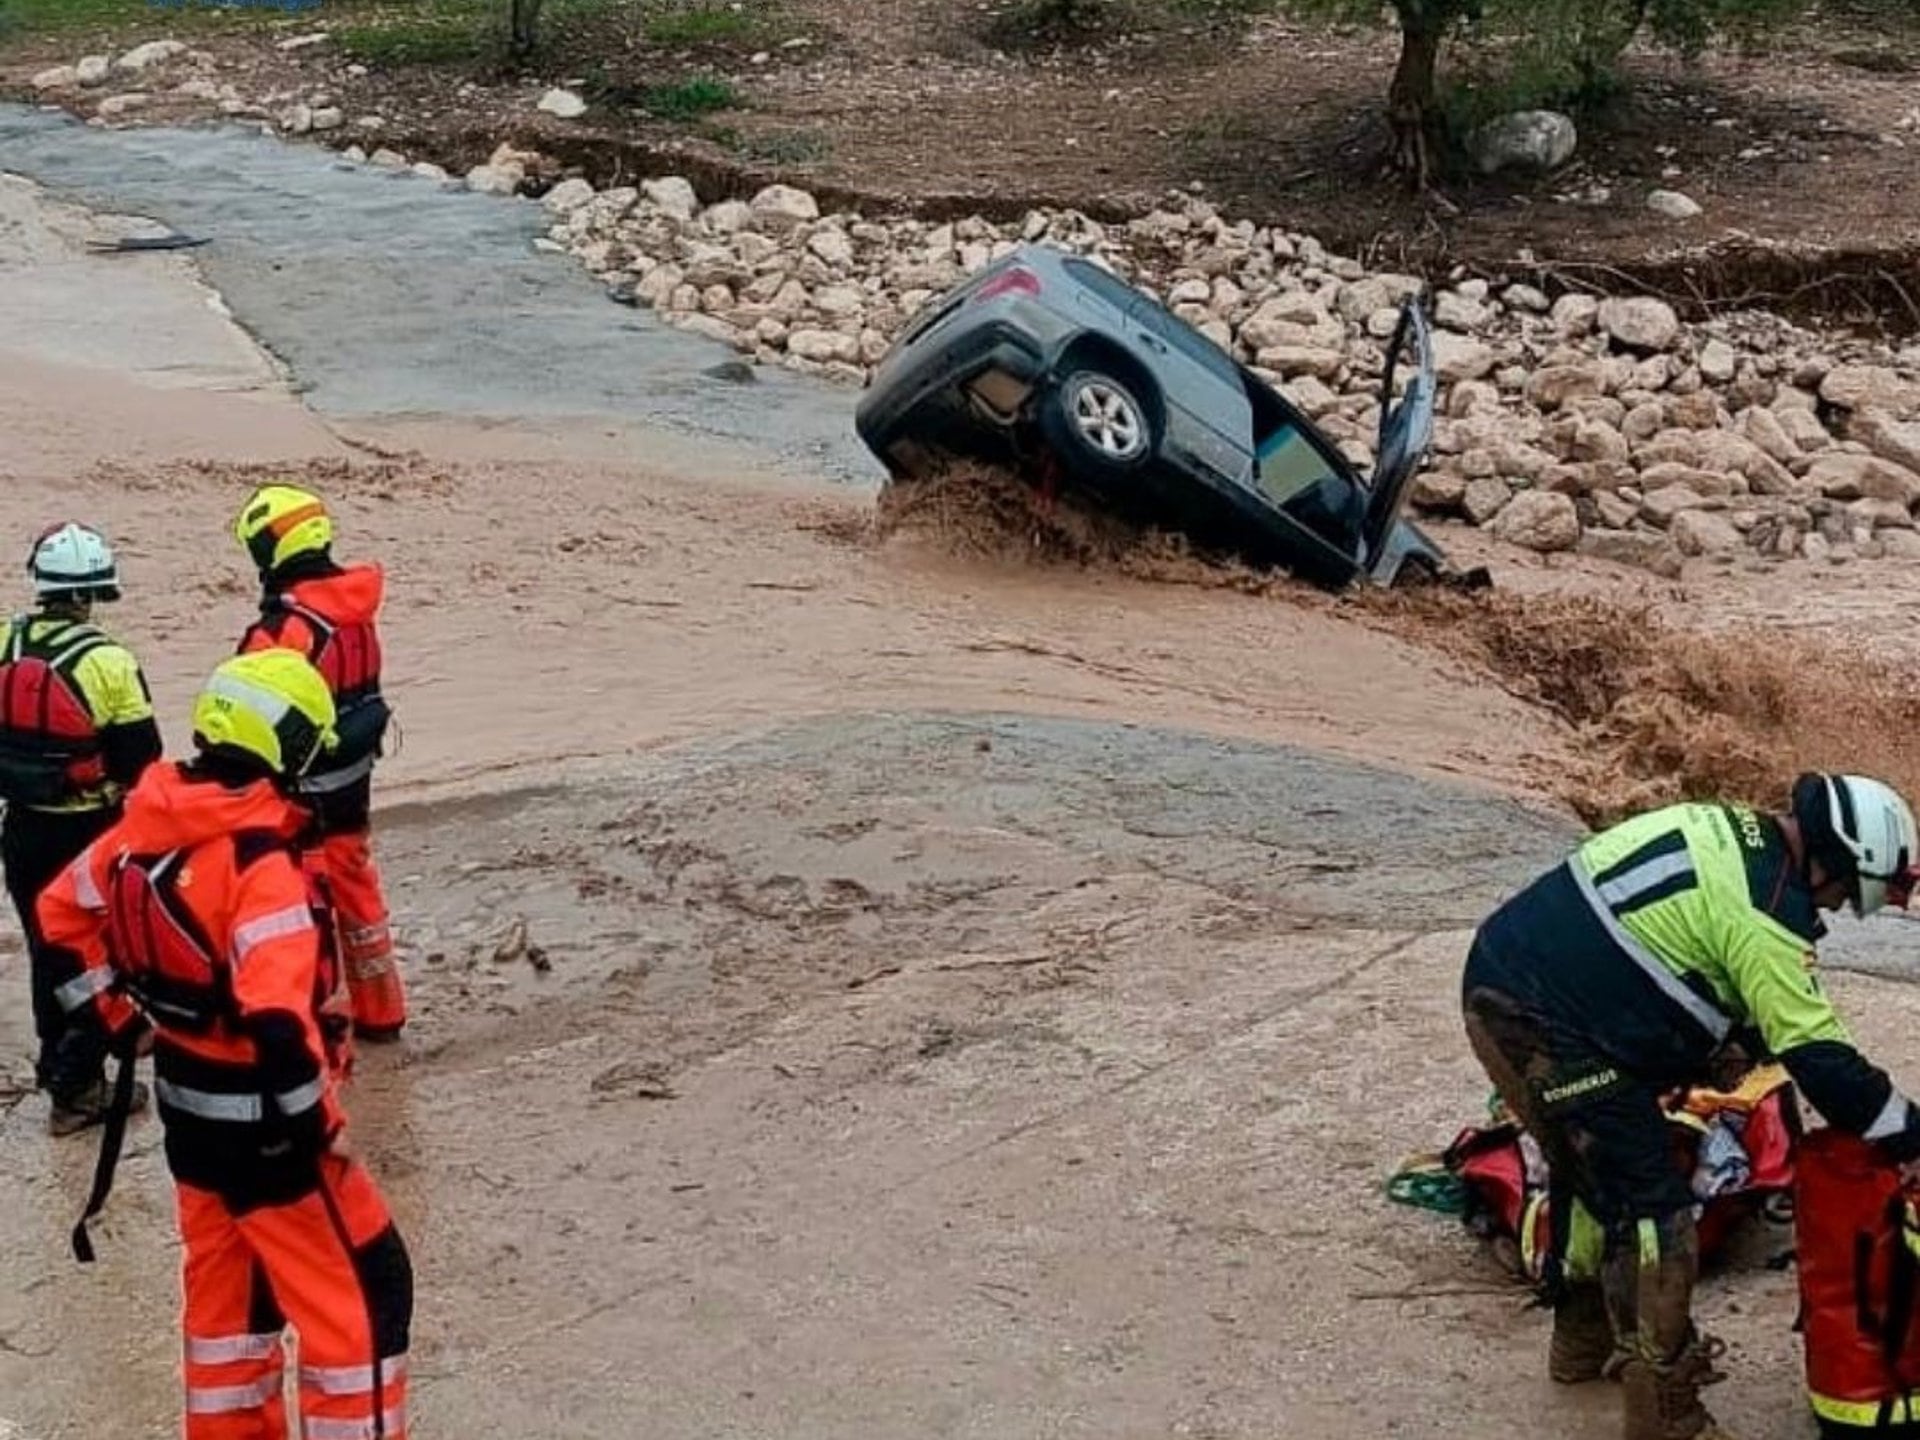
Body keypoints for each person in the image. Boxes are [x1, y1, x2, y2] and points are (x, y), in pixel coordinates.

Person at [1462, 773, 1920, 1440]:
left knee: (1599, 1177)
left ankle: (1583, 1341)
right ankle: (1667, 1411)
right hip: (1541, 1024)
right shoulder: (1766, 913)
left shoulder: (1737, 833)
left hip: (1509, 984)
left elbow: (1718, 984)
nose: (1837, 907)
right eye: (1847, 891)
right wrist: (1907, 1135)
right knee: (1655, 1212)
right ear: (1834, 858)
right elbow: (1820, 1055)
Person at [38, 649, 412, 1440]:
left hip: (190, 1123)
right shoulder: (259, 865)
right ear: (292, 750)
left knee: (228, 1313)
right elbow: (280, 1027)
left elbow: (59, 918)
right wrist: (323, 1137)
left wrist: (120, 1020)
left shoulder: (141, 830)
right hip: (272, 1139)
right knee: (367, 1300)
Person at [0, 522, 162, 1134]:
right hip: (89, 831)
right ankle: (76, 1086)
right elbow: (142, 757)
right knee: (103, 956)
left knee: (47, 949)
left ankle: (58, 1063)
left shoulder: (4, 641)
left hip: (21, 830)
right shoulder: (111, 663)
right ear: (97, 592)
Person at [231, 483, 405, 1041]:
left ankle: (314, 1021)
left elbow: (245, 725)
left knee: (300, 911)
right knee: (360, 898)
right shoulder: (356, 611)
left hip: (301, 798)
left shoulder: (285, 631)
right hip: (355, 783)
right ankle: (383, 1012)